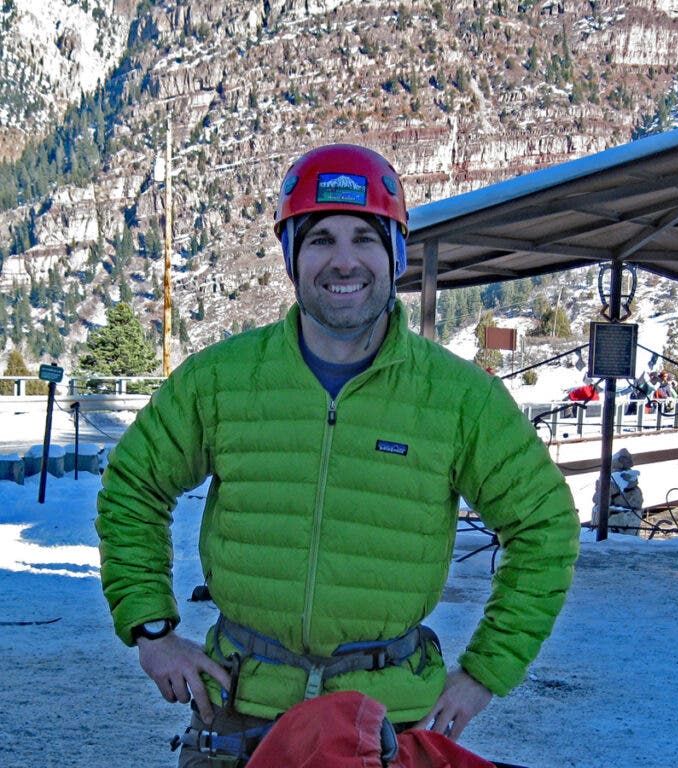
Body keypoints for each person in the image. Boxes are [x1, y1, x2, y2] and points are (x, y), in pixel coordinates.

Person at [95, 144, 580, 765]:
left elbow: (545, 526)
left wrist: (486, 670)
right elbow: (134, 484)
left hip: (386, 728)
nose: (343, 260)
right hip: (240, 716)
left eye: (365, 238)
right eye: (320, 237)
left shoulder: (458, 399)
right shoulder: (222, 381)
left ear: (394, 254)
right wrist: (152, 633)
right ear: (292, 255)